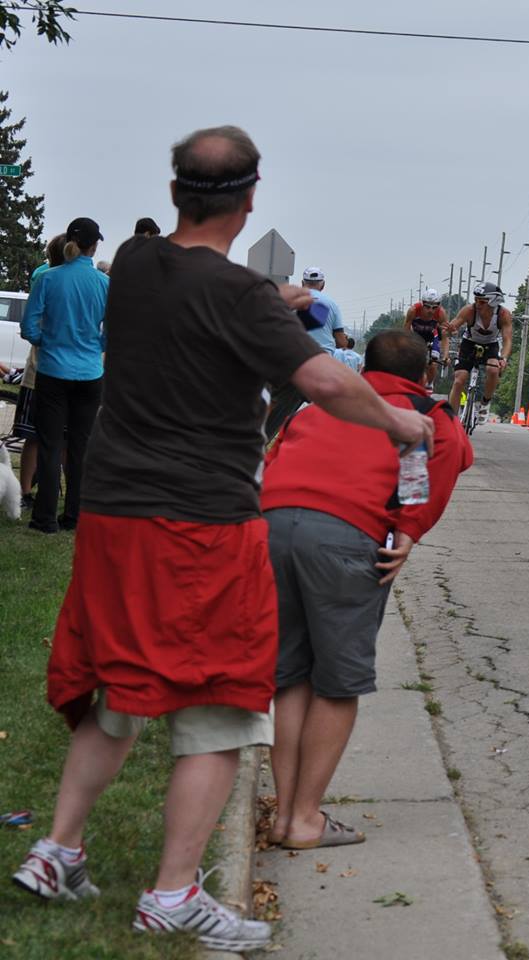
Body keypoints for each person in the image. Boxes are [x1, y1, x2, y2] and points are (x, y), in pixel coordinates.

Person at [11, 126, 433, 953]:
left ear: (175, 194)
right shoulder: (240, 298)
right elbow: (321, 379)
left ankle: (56, 849)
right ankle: (171, 894)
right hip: (200, 525)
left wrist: (274, 300)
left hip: (114, 515)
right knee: (221, 709)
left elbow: (203, 286)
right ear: (251, 198)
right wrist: (399, 421)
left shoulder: (137, 265)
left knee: (121, 686)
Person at [261, 328, 473, 849]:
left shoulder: (318, 404)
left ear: (362, 368)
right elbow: (447, 458)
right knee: (337, 682)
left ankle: (284, 814)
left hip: (270, 529)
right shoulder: (426, 414)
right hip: (344, 536)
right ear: (426, 374)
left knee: (289, 675)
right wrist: (409, 531)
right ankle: (304, 820)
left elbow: (274, 457)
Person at [20, 219, 109, 533]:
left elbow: (28, 327)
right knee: (80, 445)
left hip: (53, 370)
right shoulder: (104, 283)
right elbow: (114, 331)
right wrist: (95, 347)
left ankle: (44, 518)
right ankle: (74, 516)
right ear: (94, 246)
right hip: (90, 373)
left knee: (50, 444)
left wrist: (47, 342)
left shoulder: (48, 278)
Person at [14, 234, 67, 509]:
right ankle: (73, 498)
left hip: (39, 369)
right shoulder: (48, 279)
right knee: (66, 439)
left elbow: (29, 327)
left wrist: (44, 341)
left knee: (33, 438)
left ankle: (25, 493)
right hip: (66, 372)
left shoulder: (42, 277)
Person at [264, 266, 347, 441]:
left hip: (290, 362)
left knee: (276, 409)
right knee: (327, 412)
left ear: (303, 283)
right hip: (321, 366)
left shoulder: (290, 301)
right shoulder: (331, 304)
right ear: (322, 285)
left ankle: (259, 441)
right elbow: (341, 342)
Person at [445, 281, 513, 424]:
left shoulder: (503, 314)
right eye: (475, 300)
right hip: (469, 343)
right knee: (459, 379)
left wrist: (504, 358)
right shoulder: (469, 311)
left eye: (482, 302)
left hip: (491, 345)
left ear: (493, 302)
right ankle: (451, 419)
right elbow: (453, 326)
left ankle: (485, 403)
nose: (477, 304)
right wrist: (450, 330)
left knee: (493, 369)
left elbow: (507, 340)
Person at [404, 288, 450, 390]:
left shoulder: (441, 313)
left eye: (434, 307)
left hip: (432, 337)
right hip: (416, 336)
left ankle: (429, 385)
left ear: (438, 306)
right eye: (427, 307)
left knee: (433, 362)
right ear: (422, 304)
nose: (431, 311)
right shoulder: (413, 310)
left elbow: (445, 337)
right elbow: (405, 331)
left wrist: (446, 356)